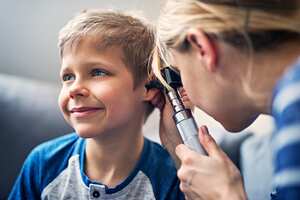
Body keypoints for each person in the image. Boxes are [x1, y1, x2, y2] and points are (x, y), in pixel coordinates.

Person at [9, 9, 185, 200]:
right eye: (68, 77)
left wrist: (176, 137)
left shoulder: (172, 177)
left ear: (149, 87)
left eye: (97, 72)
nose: (74, 89)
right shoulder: (43, 163)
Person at [151, 0, 300, 199]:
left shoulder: (294, 99)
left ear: (202, 48)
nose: (185, 90)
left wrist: (225, 195)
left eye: (179, 72)